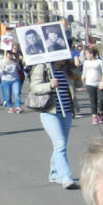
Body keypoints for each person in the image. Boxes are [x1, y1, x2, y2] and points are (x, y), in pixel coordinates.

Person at [28, 58, 80, 189]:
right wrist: (49, 85)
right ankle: (66, 178)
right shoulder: (43, 67)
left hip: (67, 111)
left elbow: (78, 83)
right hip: (50, 111)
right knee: (60, 144)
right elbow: (34, 87)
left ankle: (54, 173)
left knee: (60, 146)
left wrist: (75, 69)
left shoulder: (67, 68)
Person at [80, 45, 103, 125]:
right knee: (93, 101)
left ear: (91, 54)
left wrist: (102, 83)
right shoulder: (86, 62)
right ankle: (94, 117)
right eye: (85, 54)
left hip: (99, 83)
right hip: (89, 83)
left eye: (87, 53)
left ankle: (101, 113)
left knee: (102, 99)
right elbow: (83, 74)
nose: (86, 55)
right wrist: (80, 83)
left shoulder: (99, 61)